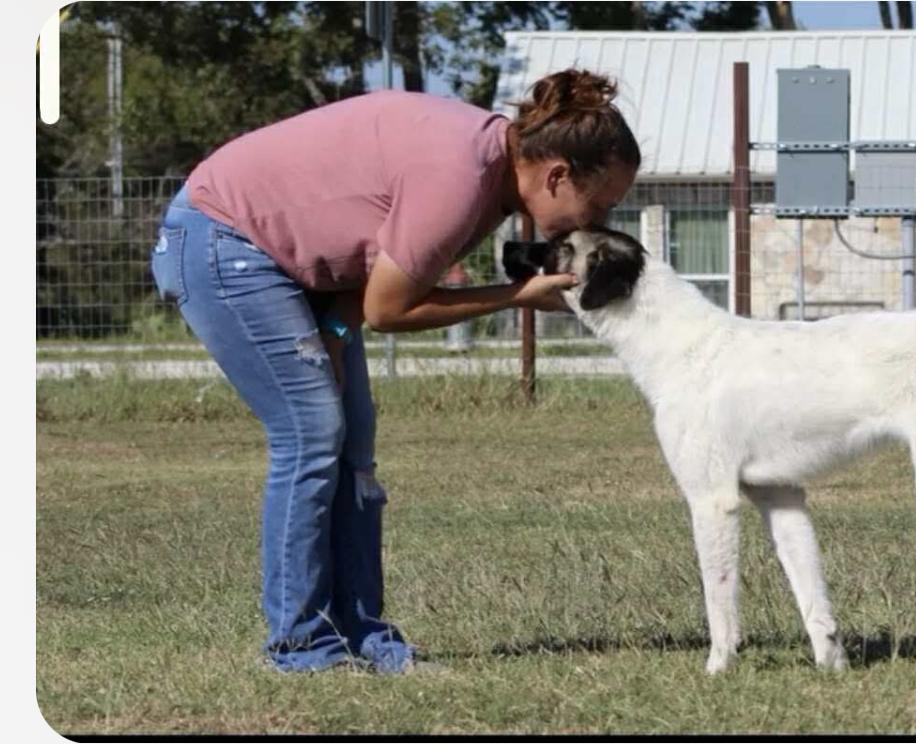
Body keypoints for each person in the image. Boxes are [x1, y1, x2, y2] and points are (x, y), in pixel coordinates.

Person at [150, 69, 641, 673]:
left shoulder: (493, 177)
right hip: (224, 238)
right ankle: (301, 647)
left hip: (299, 269)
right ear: (558, 175)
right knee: (310, 434)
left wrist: (331, 333)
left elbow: (370, 271)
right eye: (604, 203)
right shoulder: (461, 178)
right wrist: (515, 295)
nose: (598, 219)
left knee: (353, 444)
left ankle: (363, 636)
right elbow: (389, 310)